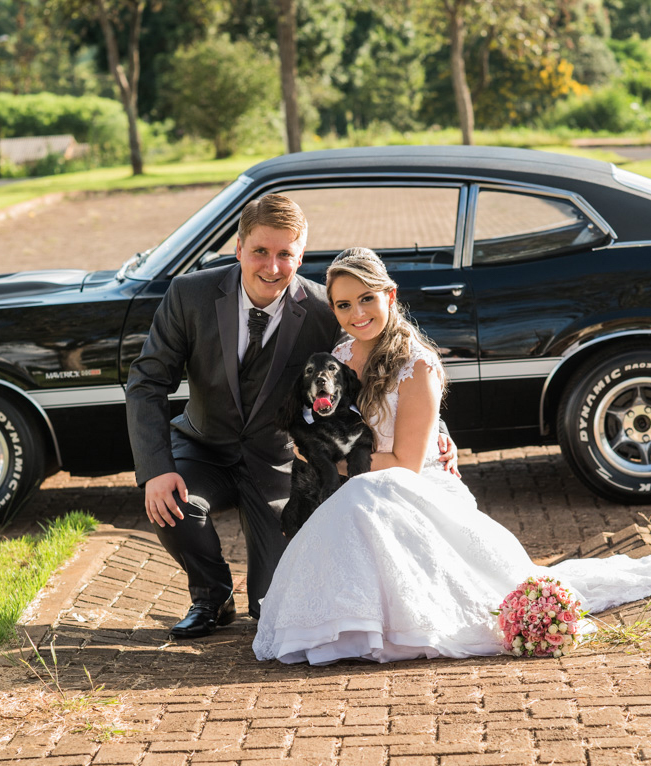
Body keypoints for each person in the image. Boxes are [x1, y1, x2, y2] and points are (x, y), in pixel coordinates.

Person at [253, 248, 651, 665]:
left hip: (410, 484)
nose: (358, 313)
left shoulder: (416, 364)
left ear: (390, 295)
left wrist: (331, 464)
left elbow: (407, 464)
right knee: (350, 501)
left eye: (367, 299)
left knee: (362, 496)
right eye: (344, 304)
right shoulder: (338, 356)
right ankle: (339, 617)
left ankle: (391, 623)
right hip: (367, 481)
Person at [125, 197, 456, 639]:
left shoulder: (328, 309)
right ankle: (211, 595)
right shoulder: (190, 295)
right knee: (172, 507)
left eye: (286, 254)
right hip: (203, 448)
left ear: (301, 256)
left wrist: (437, 431)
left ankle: (256, 591)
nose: (273, 266)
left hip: (279, 462)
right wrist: (156, 469)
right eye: (261, 251)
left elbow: (385, 364)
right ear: (238, 248)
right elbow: (146, 381)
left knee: (274, 609)